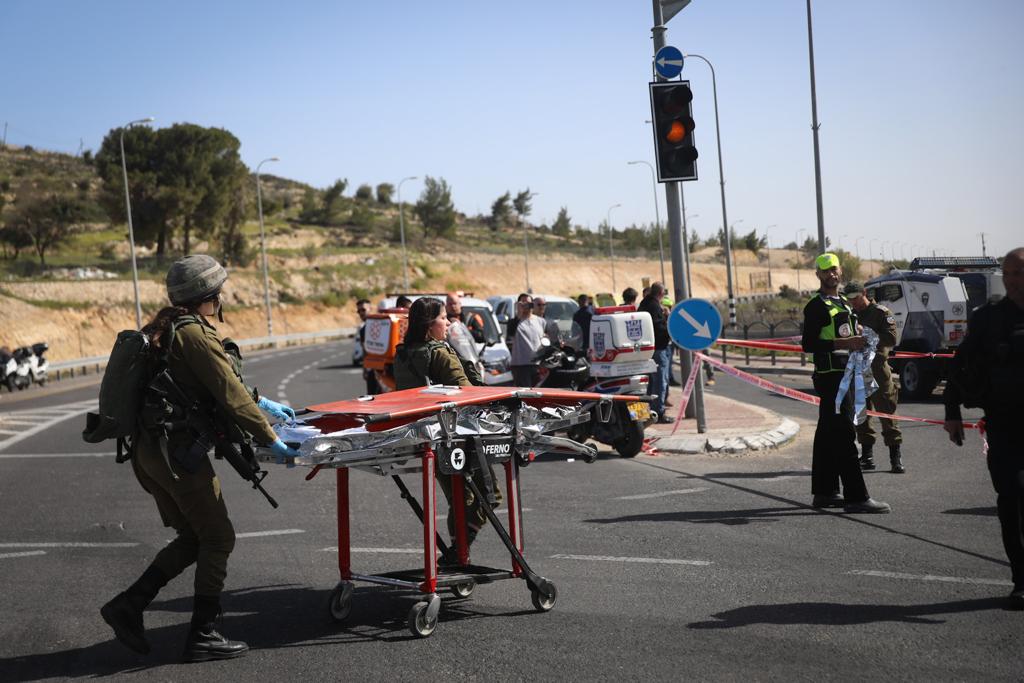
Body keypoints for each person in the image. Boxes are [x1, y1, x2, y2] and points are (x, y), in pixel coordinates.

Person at [100, 255, 300, 662]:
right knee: (219, 537)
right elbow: (228, 392)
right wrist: (271, 438)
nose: (220, 300)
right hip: (176, 454)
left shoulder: (165, 329)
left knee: (194, 537)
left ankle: (129, 605)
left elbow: (203, 383)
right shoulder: (194, 333)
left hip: (149, 451)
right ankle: (203, 634)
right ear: (209, 297)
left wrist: (265, 402)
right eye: (218, 293)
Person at [944, 247, 1024, 609]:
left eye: (1019, 273)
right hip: (1005, 424)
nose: (1013, 281)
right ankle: (1021, 579)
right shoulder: (990, 319)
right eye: (1008, 274)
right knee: (1010, 500)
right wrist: (951, 412)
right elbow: (961, 365)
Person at [393, 297, 500, 563]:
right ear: (430, 326)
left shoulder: (404, 354)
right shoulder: (439, 354)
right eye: (443, 318)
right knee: (489, 495)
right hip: (458, 438)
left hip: (427, 438)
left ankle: (458, 554)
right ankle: (458, 554)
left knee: (458, 498)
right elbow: (469, 395)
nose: (448, 322)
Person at [801, 253, 890, 513]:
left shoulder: (843, 302)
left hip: (848, 374)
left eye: (835, 269)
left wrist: (858, 334)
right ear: (818, 274)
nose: (832, 274)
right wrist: (844, 343)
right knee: (844, 435)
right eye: (826, 270)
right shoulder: (815, 305)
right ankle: (856, 496)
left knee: (827, 434)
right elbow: (808, 344)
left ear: (840, 272)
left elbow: (848, 333)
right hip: (831, 377)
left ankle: (825, 491)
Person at [843, 281, 903, 473]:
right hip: (857, 370)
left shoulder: (880, 312)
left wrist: (866, 335)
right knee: (861, 415)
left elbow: (892, 338)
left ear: (865, 293)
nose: (855, 303)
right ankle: (867, 457)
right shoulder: (849, 314)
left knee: (887, 413)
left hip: (877, 370)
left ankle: (895, 458)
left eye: (857, 299)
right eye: (850, 300)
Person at [638, 282, 673, 423]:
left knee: (650, 383)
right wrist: (668, 318)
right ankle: (659, 412)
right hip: (659, 348)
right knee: (661, 382)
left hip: (646, 349)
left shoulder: (643, 304)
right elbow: (659, 328)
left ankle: (646, 413)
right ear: (661, 294)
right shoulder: (654, 307)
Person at [509, 295, 547, 387]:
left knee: (538, 393)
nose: (527, 306)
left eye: (529, 303)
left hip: (537, 364)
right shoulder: (515, 322)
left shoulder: (541, 321)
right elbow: (510, 333)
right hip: (521, 365)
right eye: (524, 303)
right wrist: (519, 313)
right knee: (525, 394)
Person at [355, 298, 379, 395]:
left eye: (363, 310)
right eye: (359, 311)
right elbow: (365, 351)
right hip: (371, 370)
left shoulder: (380, 324)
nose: (361, 313)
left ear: (370, 309)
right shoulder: (362, 330)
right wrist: (365, 369)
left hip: (383, 370)